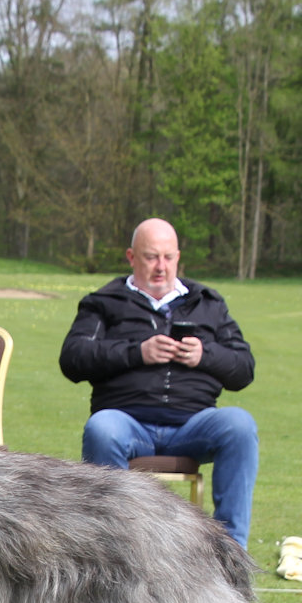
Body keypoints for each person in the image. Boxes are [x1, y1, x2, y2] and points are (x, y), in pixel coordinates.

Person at [59, 218, 258, 548]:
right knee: (101, 428)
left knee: (239, 425)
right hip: (126, 421)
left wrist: (204, 355)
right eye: (151, 257)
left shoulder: (208, 303)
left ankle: (231, 553)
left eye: (168, 257)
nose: (160, 267)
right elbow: (74, 358)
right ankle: (113, 549)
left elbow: (244, 368)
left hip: (194, 424)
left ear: (178, 256)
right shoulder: (104, 302)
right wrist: (138, 352)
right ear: (131, 257)